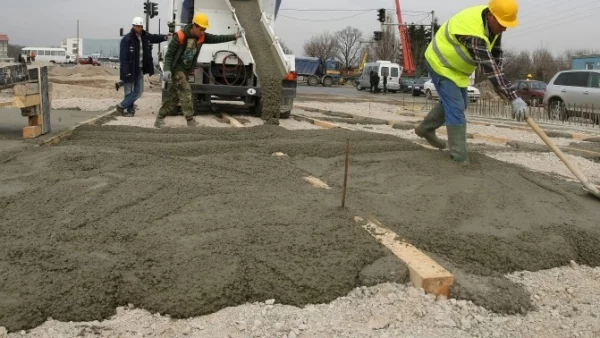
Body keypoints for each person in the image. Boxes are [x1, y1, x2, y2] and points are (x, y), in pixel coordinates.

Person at [414, 0, 528, 164]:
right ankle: (459, 158)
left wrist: (508, 97)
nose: (505, 28)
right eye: (503, 23)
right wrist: (514, 97)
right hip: (440, 63)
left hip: (456, 70)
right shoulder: (473, 33)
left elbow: (496, 59)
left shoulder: (494, 22)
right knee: (455, 107)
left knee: (462, 103)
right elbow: (490, 68)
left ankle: (425, 128)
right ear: (490, 16)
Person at [154, 13, 242, 128]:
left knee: (173, 98)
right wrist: (167, 70)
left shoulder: (202, 36)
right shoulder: (180, 36)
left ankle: (159, 118)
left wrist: (234, 36)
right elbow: (169, 55)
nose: (202, 31)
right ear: (194, 26)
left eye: (204, 29)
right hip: (177, 69)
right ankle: (190, 121)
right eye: (201, 29)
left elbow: (217, 38)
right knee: (186, 92)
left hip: (186, 70)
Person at [116, 16, 169, 117]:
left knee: (139, 91)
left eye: (140, 26)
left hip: (139, 69)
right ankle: (130, 111)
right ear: (133, 26)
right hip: (129, 69)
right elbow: (123, 57)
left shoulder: (145, 36)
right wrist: (126, 71)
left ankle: (121, 106)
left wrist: (165, 37)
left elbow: (154, 37)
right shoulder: (127, 39)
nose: (139, 28)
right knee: (128, 91)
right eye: (137, 26)